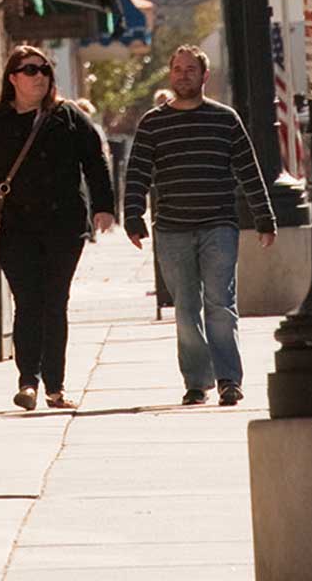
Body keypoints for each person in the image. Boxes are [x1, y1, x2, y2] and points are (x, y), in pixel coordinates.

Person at [0, 45, 116, 411]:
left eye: (44, 70)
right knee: (28, 302)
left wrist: (104, 207)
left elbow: (95, 162)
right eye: (30, 70)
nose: (39, 75)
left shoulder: (68, 117)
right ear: (12, 78)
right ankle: (28, 382)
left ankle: (55, 386)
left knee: (55, 302)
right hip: (15, 228)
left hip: (64, 226)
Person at [122, 44, 275, 408]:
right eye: (177, 69)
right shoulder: (153, 123)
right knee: (187, 309)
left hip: (218, 225)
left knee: (220, 303)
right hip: (172, 228)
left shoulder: (225, 120)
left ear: (204, 76)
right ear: (170, 75)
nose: (183, 75)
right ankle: (196, 380)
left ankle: (229, 380)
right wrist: (132, 217)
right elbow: (138, 174)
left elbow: (249, 171)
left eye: (191, 69)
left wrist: (265, 217)